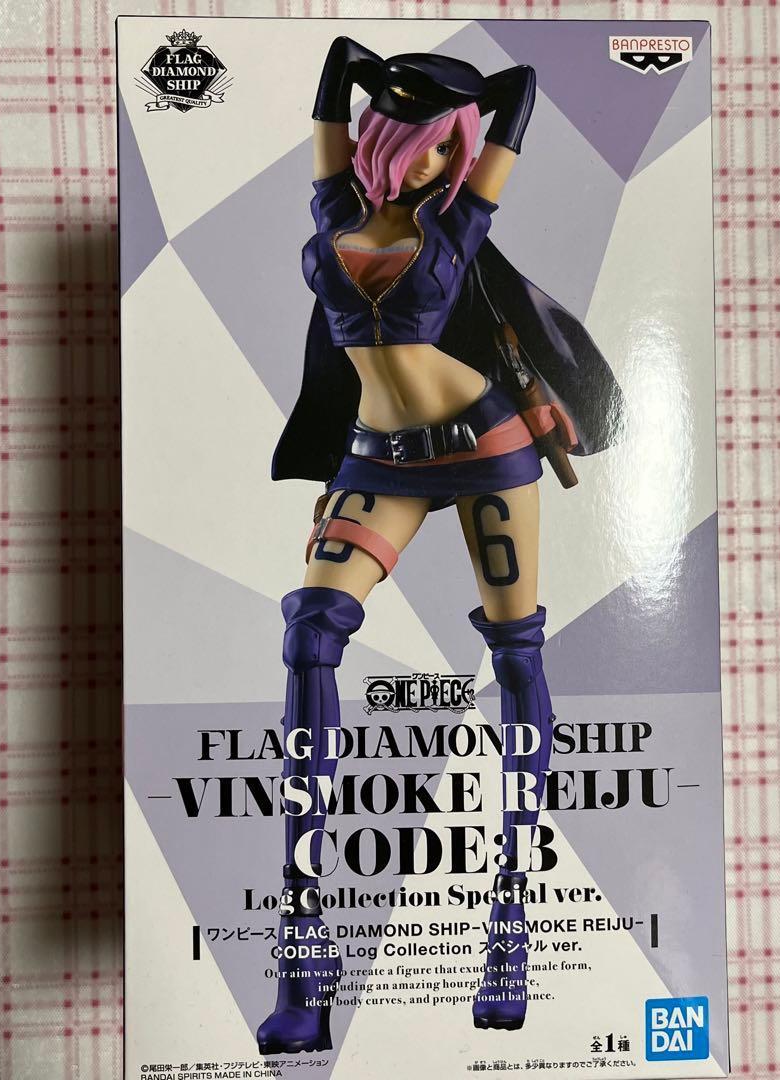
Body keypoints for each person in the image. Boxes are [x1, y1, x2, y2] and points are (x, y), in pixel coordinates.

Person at [257, 36, 624, 1056]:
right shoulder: (334, 208)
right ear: (379, 135)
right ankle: (304, 963)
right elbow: (332, 79)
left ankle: (511, 926)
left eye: (445, 146)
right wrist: (373, 74)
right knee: (311, 635)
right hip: (376, 458)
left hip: (486, 444)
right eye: (413, 140)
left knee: (516, 656)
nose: (429, 162)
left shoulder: (459, 217)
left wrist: (455, 98)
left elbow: (520, 93)